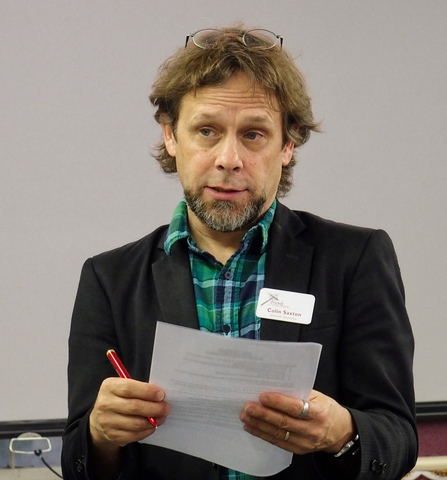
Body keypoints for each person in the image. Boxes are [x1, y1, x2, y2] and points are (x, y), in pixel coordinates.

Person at [61, 25, 418, 480]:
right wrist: (100, 435)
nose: (228, 158)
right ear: (171, 137)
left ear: (287, 145)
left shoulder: (356, 259)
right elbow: (79, 461)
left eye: (253, 134)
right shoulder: (109, 279)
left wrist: (341, 433)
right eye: (206, 130)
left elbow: (397, 437)